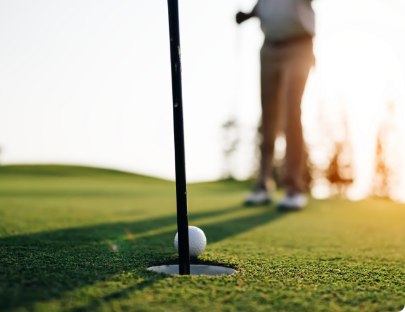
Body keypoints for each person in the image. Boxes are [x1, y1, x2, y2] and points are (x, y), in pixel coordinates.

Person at [236, 0, 315, 210]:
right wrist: (246, 16)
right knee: (268, 117)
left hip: (299, 46)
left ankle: (294, 188)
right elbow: (261, 8)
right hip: (269, 47)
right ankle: (262, 186)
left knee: (292, 112)